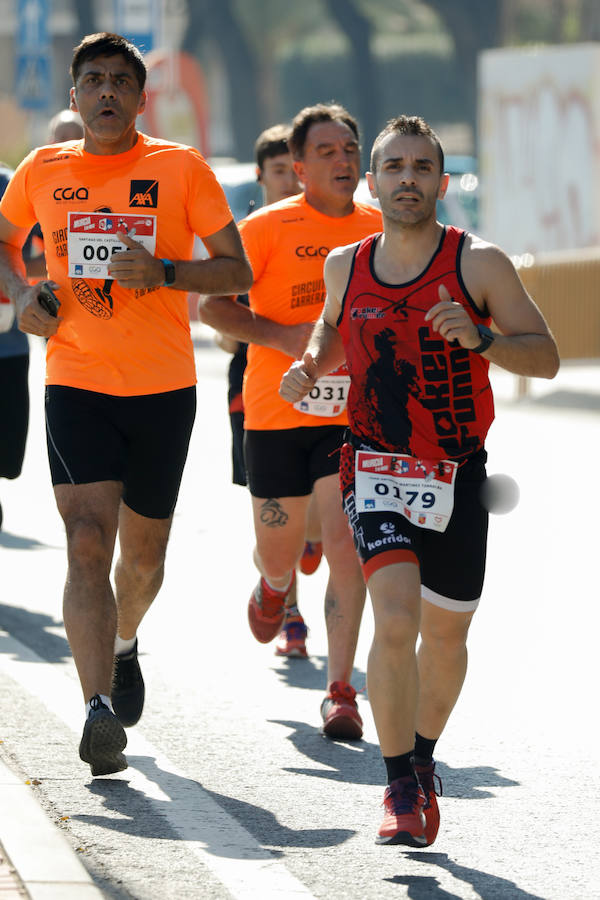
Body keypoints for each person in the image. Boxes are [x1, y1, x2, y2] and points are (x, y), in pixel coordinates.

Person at [280, 115, 559, 845]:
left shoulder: (481, 264)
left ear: (440, 180)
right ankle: (398, 784)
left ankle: (425, 760)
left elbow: (547, 357)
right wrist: (311, 364)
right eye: (394, 167)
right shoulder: (347, 262)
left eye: (421, 167)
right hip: (372, 464)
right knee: (395, 617)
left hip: (458, 473)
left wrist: (485, 338)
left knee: (446, 637)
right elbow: (331, 325)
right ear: (373, 184)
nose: (408, 179)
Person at [0, 32, 251, 777]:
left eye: (120, 81)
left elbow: (234, 266)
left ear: (142, 99)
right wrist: (21, 296)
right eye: (92, 80)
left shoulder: (180, 168)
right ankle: (96, 710)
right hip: (76, 381)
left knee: (142, 562)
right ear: (73, 98)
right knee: (85, 541)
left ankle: (125, 639)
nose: (106, 91)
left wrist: (169, 271)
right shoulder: (43, 170)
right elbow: (5, 240)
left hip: (162, 390)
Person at [200, 103, 382, 736]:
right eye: (327, 151)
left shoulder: (382, 228)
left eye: (350, 149)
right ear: (298, 167)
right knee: (281, 550)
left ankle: (340, 691)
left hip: (352, 420)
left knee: (344, 547)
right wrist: (281, 335)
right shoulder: (266, 227)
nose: (342, 160)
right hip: (276, 412)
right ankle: (273, 583)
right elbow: (213, 309)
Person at [210, 123, 322, 658]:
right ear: (263, 175)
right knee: (274, 514)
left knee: (316, 515)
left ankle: (313, 535)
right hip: (254, 382)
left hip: (327, 387)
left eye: (293, 170)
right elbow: (220, 326)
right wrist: (260, 334)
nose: (288, 181)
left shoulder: (326, 227)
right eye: (278, 171)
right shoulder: (250, 232)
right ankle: (290, 612)